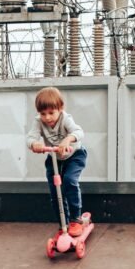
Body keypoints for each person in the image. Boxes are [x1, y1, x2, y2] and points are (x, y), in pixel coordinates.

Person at [26, 87, 87, 236]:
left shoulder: (65, 118)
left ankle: (76, 219)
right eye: (43, 113)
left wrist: (68, 139)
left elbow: (79, 132)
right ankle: (63, 224)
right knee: (55, 192)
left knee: (69, 181)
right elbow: (30, 138)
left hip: (74, 155)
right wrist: (35, 144)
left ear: (60, 109)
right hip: (54, 159)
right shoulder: (39, 121)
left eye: (51, 113)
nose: (47, 118)